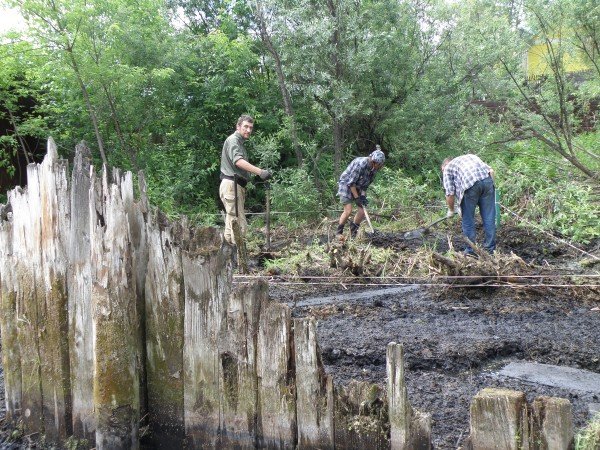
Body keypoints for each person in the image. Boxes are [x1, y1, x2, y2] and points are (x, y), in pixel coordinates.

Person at [219, 114, 272, 246]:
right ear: (238, 127)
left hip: (235, 186)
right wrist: (260, 172)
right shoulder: (233, 140)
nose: (248, 130)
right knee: (239, 225)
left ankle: (229, 261)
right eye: (245, 127)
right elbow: (238, 161)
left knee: (231, 225)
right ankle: (239, 262)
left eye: (251, 128)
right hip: (232, 185)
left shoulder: (239, 142)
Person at [441, 154, 496, 255]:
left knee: (468, 219)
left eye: (442, 171)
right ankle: (490, 249)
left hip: (470, 185)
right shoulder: (470, 157)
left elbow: (450, 193)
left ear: (444, 166)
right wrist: (489, 187)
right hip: (488, 181)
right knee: (489, 217)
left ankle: (471, 251)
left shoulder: (447, 168)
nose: (443, 173)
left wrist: (451, 210)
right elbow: (491, 171)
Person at [336, 146, 385, 238]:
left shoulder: (374, 170)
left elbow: (365, 185)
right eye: (379, 164)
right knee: (348, 210)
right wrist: (357, 198)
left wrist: (362, 196)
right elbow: (351, 183)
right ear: (374, 162)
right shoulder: (361, 164)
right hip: (346, 183)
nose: (380, 166)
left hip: (357, 186)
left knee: (362, 211)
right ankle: (338, 232)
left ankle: (353, 233)